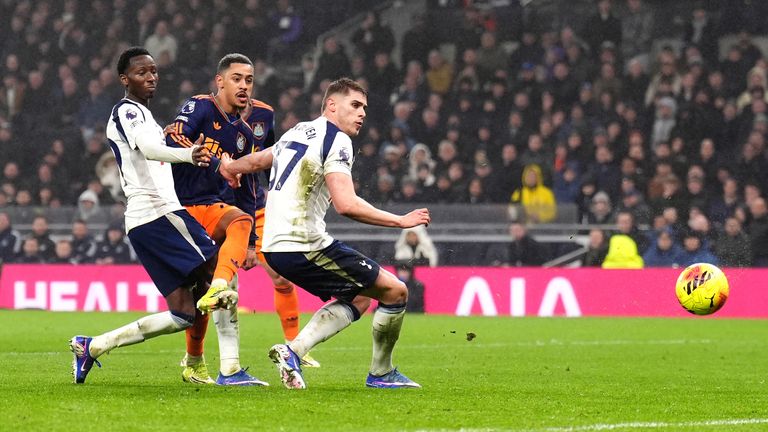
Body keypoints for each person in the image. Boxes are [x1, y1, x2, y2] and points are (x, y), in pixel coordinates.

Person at [219, 77, 431, 389]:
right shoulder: (338, 140)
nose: (362, 114)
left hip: (275, 246)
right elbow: (346, 204)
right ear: (331, 105)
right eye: (355, 105)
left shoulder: (299, 130)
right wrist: (400, 221)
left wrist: (231, 167)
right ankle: (380, 373)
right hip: (303, 243)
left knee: (359, 298)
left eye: (364, 108)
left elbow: (263, 159)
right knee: (396, 292)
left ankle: (294, 353)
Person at [69, 47, 216, 384]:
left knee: (183, 313)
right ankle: (227, 366)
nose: (150, 77)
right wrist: (188, 155)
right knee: (218, 263)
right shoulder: (128, 111)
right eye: (141, 72)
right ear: (125, 79)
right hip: (157, 211)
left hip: (142, 221)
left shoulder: (146, 117)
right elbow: (150, 151)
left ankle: (93, 346)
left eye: (153, 71)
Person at [166, 53, 305, 386]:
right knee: (192, 304)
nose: (244, 86)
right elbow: (173, 137)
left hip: (214, 209)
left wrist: (253, 244)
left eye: (249, 80)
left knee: (205, 292)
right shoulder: (199, 106)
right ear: (220, 81)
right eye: (238, 79)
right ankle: (217, 359)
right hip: (182, 209)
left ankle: (206, 364)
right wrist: (212, 162)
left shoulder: (244, 133)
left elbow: (247, 188)